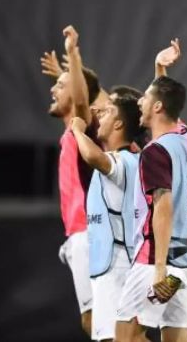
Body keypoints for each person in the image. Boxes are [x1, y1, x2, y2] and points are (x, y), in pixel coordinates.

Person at [116, 76, 187, 342]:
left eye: (145, 97)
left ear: (157, 107)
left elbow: (163, 208)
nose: (140, 102)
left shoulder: (155, 152)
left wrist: (158, 268)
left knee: (125, 338)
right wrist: (161, 68)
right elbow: (170, 105)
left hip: (157, 259)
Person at [71, 85, 143, 342]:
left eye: (109, 110)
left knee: (115, 338)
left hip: (119, 266)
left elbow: (92, 156)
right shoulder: (127, 159)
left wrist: (77, 130)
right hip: (112, 265)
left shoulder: (124, 161)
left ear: (119, 124)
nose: (100, 112)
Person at [43, 25, 102, 336]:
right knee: (104, 322)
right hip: (83, 234)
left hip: (88, 233)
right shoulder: (72, 133)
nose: (53, 88)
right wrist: (65, 73)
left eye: (61, 85)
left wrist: (73, 54)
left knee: (96, 322)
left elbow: (81, 99)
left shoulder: (82, 127)